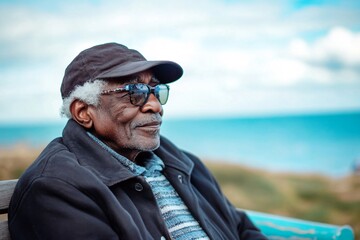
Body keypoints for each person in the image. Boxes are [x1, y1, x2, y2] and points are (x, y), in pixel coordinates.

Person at [8, 42, 267, 240]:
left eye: (155, 90)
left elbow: (241, 227)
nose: (155, 105)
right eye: (134, 92)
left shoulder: (179, 162)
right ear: (84, 112)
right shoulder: (55, 188)